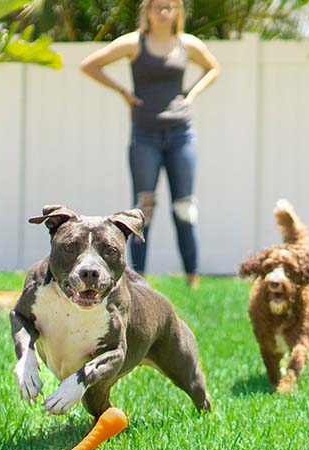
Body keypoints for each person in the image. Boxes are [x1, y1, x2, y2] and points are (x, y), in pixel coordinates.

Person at [80, 0, 220, 288]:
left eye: (170, 6)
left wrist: (191, 94)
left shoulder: (187, 44)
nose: (164, 11)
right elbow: (90, 65)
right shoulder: (134, 44)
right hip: (145, 135)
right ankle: (138, 279)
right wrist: (124, 93)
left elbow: (212, 68)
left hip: (181, 134)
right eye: (158, 6)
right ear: (148, 10)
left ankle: (192, 278)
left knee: (185, 208)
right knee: (143, 210)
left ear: (178, 11)